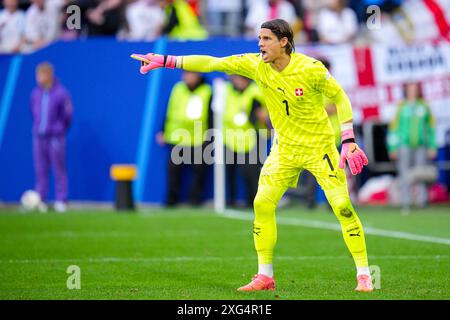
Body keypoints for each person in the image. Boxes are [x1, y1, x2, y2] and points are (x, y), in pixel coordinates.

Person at [132, 18, 372, 292]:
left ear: (284, 42)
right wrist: (165, 60)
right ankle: (265, 276)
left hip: (320, 149)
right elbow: (213, 63)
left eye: (266, 39)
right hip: (284, 150)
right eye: (259, 38)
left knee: (342, 206)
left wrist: (348, 139)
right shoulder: (256, 64)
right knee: (262, 204)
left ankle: (364, 274)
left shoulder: (311, 68)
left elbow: (340, 98)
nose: (260, 44)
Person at [156, 71, 212, 206]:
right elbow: (169, 109)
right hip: (177, 137)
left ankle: (195, 200)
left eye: (191, 74)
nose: (187, 76)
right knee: (173, 172)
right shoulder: (178, 88)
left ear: (198, 75)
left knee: (198, 173)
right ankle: (171, 200)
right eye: (186, 74)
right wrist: (162, 130)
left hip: (198, 138)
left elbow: (211, 115)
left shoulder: (207, 91)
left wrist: (210, 137)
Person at [387, 81, 437, 213]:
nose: (412, 91)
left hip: (421, 144)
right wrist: (392, 147)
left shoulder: (424, 106)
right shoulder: (401, 107)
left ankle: (422, 201)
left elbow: (431, 127)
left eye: (414, 89)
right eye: (410, 89)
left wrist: (432, 145)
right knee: (404, 173)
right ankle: (406, 202)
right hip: (404, 144)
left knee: (421, 173)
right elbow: (394, 128)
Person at [31, 62, 73, 212]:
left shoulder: (61, 93)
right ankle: (40, 199)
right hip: (39, 136)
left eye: (41, 75)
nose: (38, 78)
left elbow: (67, 115)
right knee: (40, 169)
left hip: (55, 137)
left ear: (48, 75)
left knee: (58, 168)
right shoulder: (36, 93)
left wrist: (59, 129)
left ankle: (61, 199)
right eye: (37, 75)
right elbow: (33, 112)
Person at [223, 74, 268, 208]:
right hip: (231, 138)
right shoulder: (228, 90)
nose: (235, 81)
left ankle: (253, 201)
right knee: (229, 173)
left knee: (251, 173)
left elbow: (261, 116)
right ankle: (230, 200)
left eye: (237, 78)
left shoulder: (255, 93)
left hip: (252, 138)